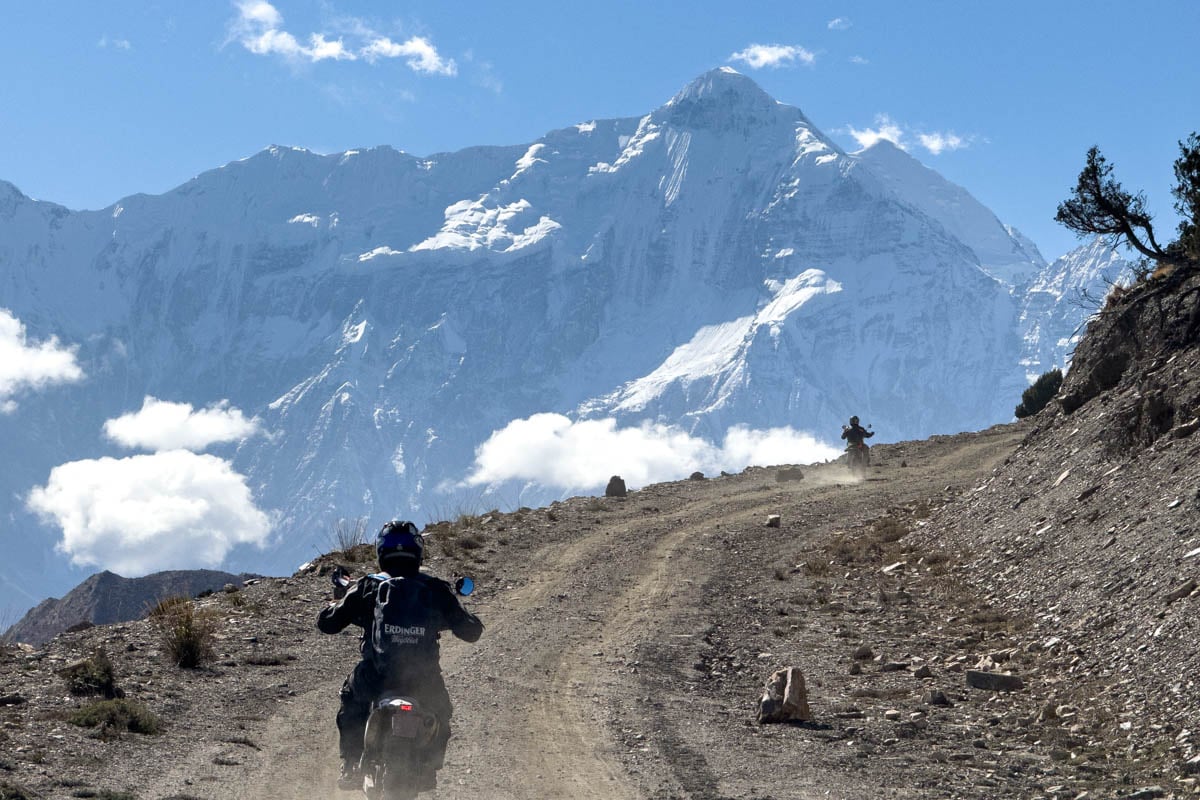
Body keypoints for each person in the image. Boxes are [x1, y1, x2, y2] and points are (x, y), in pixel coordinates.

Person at [317, 520, 483, 791]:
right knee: (442, 711)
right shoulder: (435, 589)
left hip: (377, 676)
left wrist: (336, 604)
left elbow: (328, 624)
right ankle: (429, 768)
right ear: (418, 551)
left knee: (351, 699)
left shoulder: (368, 586)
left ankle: (351, 766)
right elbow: (472, 632)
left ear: (381, 551)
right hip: (423, 680)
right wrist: (460, 614)